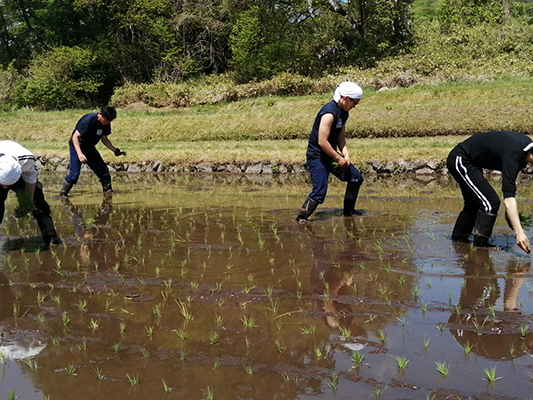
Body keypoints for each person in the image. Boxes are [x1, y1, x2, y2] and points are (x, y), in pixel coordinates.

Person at [447, 130, 533, 252]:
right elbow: (508, 198)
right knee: (490, 203)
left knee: (474, 204)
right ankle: (481, 246)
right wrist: (520, 233)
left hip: (472, 162)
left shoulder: (524, 149)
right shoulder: (514, 154)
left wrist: (511, 221)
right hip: (461, 159)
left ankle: (459, 241)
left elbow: (510, 190)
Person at [296, 81, 364, 223]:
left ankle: (349, 212)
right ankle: (301, 218)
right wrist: (338, 158)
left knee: (356, 178)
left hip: (331, 155)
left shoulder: (344, 113)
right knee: (319, 191)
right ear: (345, 98)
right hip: (318, 157)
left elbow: (340, 138)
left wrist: (346, 155)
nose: (355, 106)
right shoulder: (328, 113)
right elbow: (322, 141)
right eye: (354, 103)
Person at [0, 140, 61, 250]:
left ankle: (50, 236)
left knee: (39, 203)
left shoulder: (27, 160)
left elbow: (31, 182)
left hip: (22, 176)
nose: (5, 187)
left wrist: (27, 204)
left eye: (7, 184)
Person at [60, 106, 125, 196]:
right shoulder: (88, 120)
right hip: (77, 146)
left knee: (103, 171)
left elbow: (104, 139)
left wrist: (114, 150)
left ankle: (107, 193)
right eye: (106, 120)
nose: (107, 123)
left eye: (109, 121)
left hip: (90, 147)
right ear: (100, 115)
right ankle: (63, 195)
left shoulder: (106, 124)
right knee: (74, 174)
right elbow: (75, 137)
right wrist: (80, 154)